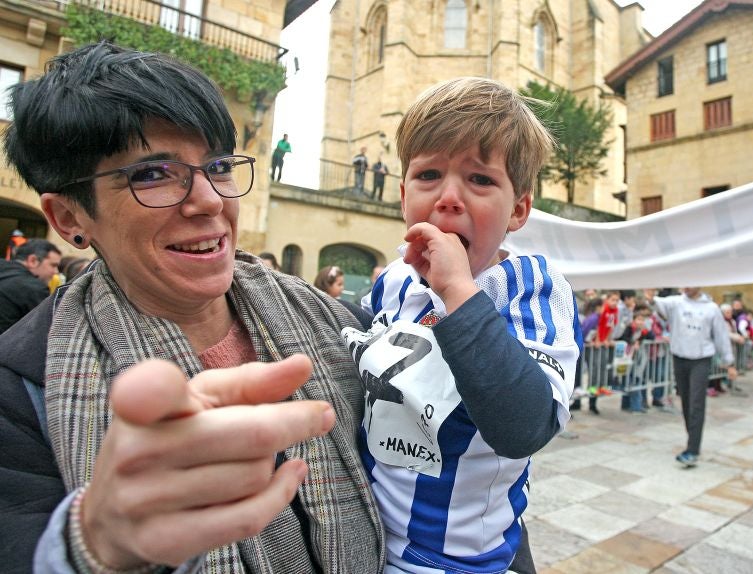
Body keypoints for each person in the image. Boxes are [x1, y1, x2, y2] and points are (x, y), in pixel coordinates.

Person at [0, 43, 385, 573]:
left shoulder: (339, 324)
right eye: (153, 173)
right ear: (69, 217)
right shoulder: (18, 389)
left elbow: (455, 484)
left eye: (219, 166)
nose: (209, 200)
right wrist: (94, 543)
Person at [342, 77, 580, 574]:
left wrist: (457, 292)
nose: (449, 198)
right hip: (361, 546)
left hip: (460, 562)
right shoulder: (392, 285)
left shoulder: (528, 286)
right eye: (428, 175)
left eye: (480, 180)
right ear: (403, 195)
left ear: (518, 210)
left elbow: (525, 426)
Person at [644, 287, 737, 468]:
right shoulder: (676, 302)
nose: (686, 287)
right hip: (680, 357)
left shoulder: (711, 308)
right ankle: (692, 439)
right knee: (686, 401)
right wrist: (650, 297)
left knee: (696, 402)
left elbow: (721, 336)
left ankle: (693, 449)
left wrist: (729, 362)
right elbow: (656, 304)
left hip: (701, 360)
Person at [0, 238, 61, 333]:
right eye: (53, 265)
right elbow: (45, 329)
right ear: (33, 261)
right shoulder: (34, 288)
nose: (56, 272)